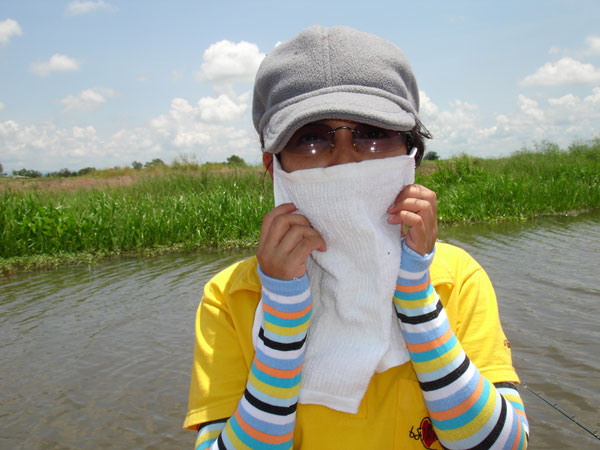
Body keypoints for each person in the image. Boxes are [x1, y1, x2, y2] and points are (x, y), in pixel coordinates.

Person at [185, 25, 529, 450]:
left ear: (410, 157)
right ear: (274, 167)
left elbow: (504, 445)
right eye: (310, 138)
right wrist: (283, 318)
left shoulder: (456, 278)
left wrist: (416, 296)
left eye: (372, 133)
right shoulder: (231, 298)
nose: (344, 159)